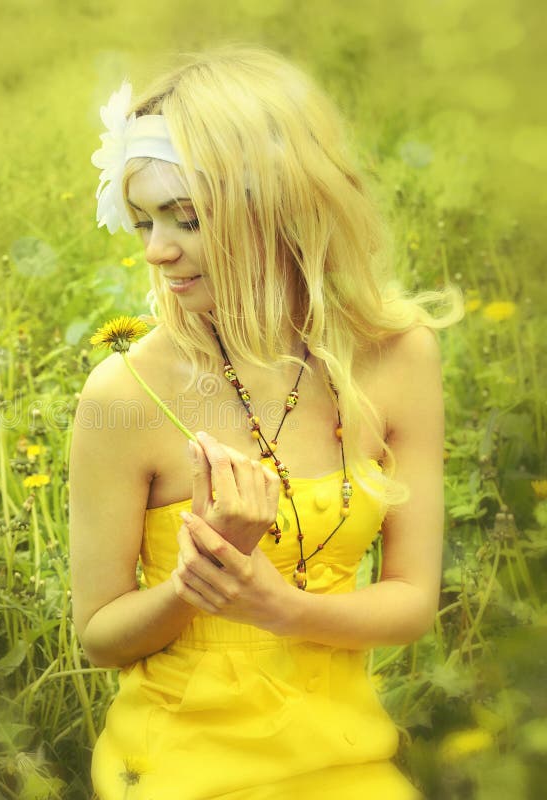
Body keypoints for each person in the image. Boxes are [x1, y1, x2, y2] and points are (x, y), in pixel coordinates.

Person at [70, 44, 461, 800]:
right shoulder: (124, 393)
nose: (157, 251)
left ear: (281, 205)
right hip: (180, 763)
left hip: (347, 755)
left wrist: (280, 608)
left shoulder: (400, 357)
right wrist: (201, 578)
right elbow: (101, 637)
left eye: (185, 218)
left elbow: (412, 600)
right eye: (144, 218)